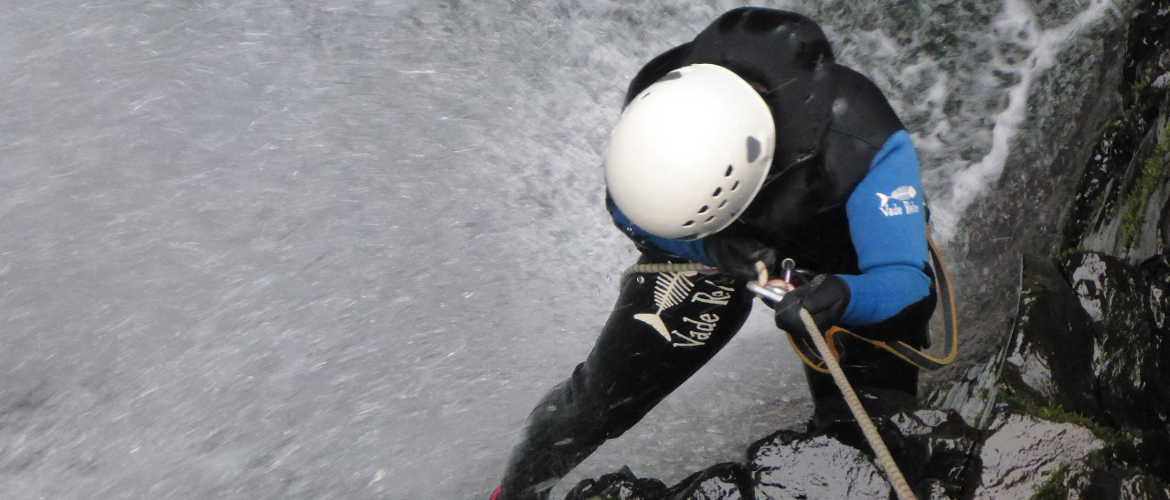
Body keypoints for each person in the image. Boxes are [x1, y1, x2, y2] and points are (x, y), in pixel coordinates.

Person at [491, 7, 937, 500]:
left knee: (862, 443)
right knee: (595, 403)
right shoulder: (659, 108)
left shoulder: (864, 146)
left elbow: (905, 279)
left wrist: (841, 296)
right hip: (709, 252)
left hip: (839, 257)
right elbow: (627, 208)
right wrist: (712, 246)